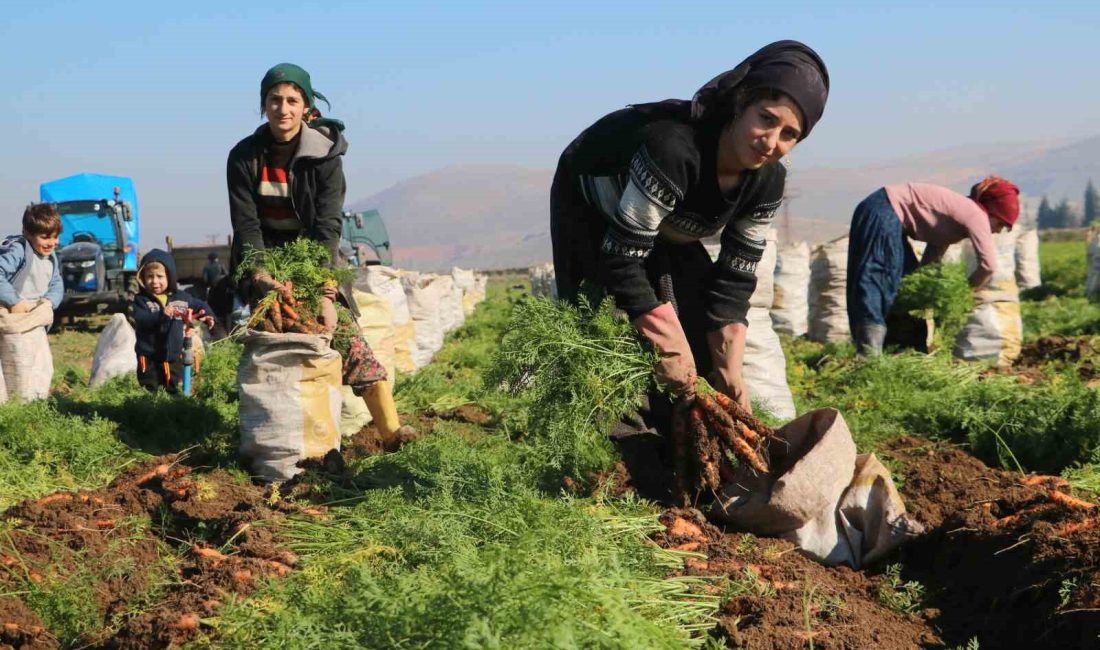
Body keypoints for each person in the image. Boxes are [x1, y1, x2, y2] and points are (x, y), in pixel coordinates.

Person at [551, 40, 829, 413]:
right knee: (611, 337)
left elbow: (736, 275)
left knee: (698, 332)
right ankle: (620, 454)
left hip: (667, 224)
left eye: (789, 134)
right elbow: (621, 259)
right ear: (741, 103)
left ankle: (691, 440)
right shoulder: (676, 151)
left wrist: (730, 372)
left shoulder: (767, 181)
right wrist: (667, 342)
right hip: (593, 210)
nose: (771, 142)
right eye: (766, 118)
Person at [226, 62, 412, 445]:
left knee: (345, 336)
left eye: (292, 100)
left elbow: (326, 228)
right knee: (268, 342)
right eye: (274, 100)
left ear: (306, 107)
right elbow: (247, 227)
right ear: (263, 105)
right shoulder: (244, 157)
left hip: (313, 258)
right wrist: (260, 277)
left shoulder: (325, 156)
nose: (283, 108)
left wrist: (325, 290)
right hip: (263, 261)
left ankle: (392, 432)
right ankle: (270, 440)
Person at [846, 176, 1020, 356]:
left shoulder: (957, 219)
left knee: (905, 287)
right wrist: (966, 290)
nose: (998, 231)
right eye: (1000, 223)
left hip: (887, 214)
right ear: (990, 211)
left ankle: (903, 354)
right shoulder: (976, 214)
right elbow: (988, 265)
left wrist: (925, 288)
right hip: (883, 209)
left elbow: (932, 255)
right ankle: (870, 355)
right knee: (880, 277)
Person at [133, 249, 216, 392]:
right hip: (149, 356)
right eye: (149, 277)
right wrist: (161, 315)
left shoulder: (181, 297)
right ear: (142, 278)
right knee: (150, 387)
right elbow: (142, 319)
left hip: (173, 355)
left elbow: (200, 305)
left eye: (160, 276)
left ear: (170, 277)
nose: (155, 281)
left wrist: (208, 316)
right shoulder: (142, 300)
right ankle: (149, 411)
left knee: (173, 387)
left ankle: (172, 410)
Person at [0, 204, 64, 314]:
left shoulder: (51, 257)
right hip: (12, 315)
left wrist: (49, 302)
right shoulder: (19, 250)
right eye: (45, 237)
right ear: (27, 233)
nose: (52, 243)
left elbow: (56, 283)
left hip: (35, 314)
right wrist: (14, 302)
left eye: (55, 237)